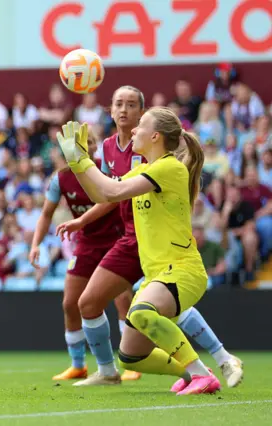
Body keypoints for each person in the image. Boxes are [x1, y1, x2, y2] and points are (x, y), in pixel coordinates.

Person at [57, 87, 242, 389]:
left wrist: (81, 161)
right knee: (131, 355)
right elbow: (103, 193)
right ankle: (194, 372)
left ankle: (201, 373)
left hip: (182, 271)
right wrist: (77, 163)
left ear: (155, 136)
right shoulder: (144, 170)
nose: (135, 129)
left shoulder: (169, 168)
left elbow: (112, 191)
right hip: (158, 273)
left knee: (142, 311)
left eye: (142, 125)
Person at [29, 132, 138, 382]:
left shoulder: (106, 170)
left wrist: (80, 220)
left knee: (122, 299)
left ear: (95, 146)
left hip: (117, 239)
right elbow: (46, 214)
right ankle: (78, 364)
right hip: (87, 243)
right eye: (79, 143)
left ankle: (130, 360)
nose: (84, 147)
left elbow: (113, 199)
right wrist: (35, 244)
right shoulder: (61, 179)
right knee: (70, 303)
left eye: (88, 142)